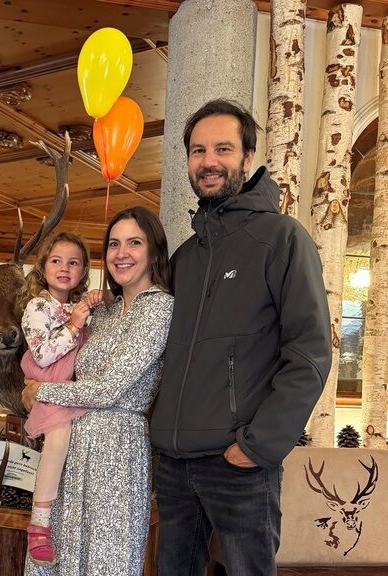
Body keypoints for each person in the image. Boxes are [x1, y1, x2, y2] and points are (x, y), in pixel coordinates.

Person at [149, 99, 331, 576]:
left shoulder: (283, 239)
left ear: (248, 159)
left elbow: (310, 353)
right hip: (173, 464)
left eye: (223, 149)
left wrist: (258, 446)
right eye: (197, 150)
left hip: (239, 465)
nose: (209, 161)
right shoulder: (183, 259)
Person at [22, 207, 174, 576]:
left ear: (154, 252)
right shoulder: (104, 310)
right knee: (60, 556)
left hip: (116, 450)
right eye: (114, 244)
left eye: (134, 243)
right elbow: (58, 358)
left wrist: (41, 392)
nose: (121, 253)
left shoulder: (159, 308)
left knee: (107, 559)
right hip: (72, 443)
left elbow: (108, 390)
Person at [18, 232, 95, 566]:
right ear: (43, 267)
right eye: (56, 260)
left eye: (73, 262)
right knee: (57, 440)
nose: (64, 268)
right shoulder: (38, 306)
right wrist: (75, 325)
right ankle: (39, 522)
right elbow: (43, 354)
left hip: (74, 388)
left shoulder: (78, 307)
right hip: (51, 383)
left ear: (82, 271)